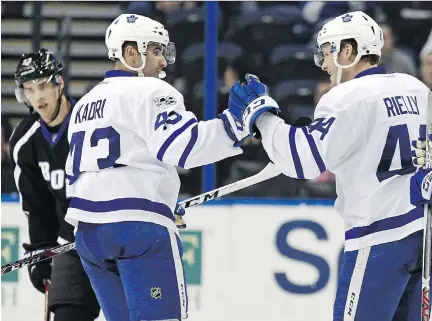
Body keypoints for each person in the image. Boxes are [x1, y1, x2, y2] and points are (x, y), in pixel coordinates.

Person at [226, 11, 430, 321]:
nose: (324, 63)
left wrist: (262, 118)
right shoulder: (416, 88)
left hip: (378, 240)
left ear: (348, 51)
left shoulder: (344, 98)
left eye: (327, 52)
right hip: (422, 236)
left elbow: (302, 160)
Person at [64, 14, 246, 321]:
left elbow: (83, 174)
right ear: (130, 53)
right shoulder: (151, 91)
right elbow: (183, 146)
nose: (163, 61)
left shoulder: (85, 103)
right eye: (156, 51)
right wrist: (236, 125)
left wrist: (157, 197)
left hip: (89, 235)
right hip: (138, 229)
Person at [9, 49, 101, 321]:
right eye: (28, 89)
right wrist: (40, 249)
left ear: (60, 82)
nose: (37, 97)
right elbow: (37, 206)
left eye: (43, 86)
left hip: (112, 236)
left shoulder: (92, 123)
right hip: (69, 245)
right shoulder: (26, 142)